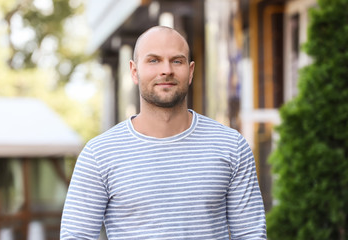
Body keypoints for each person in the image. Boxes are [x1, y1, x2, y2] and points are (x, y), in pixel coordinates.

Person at [60, 26, 267, 240]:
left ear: (191, 71)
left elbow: (251, 234)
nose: (166, 70)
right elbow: (76, 236)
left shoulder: (231, 146)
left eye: (177, 61)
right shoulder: (99, 154)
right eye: (153, 60)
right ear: (134, 71)